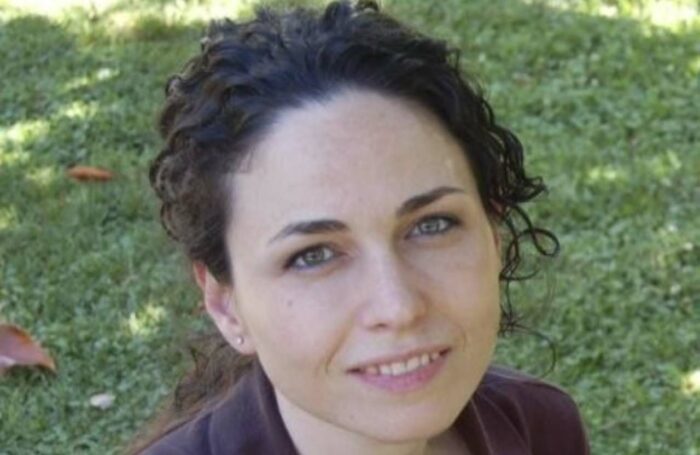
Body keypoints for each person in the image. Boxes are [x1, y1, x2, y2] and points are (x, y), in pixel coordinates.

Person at [131, 1, 590, 453]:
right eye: (313, 255)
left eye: (432, 225)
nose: (398, 307)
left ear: (494, 235)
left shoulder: (540, 427)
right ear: (227, 305)